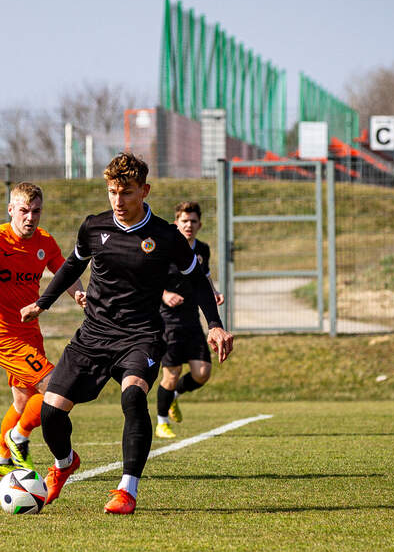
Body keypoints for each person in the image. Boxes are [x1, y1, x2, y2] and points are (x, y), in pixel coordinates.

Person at [20, 152, 234, 514]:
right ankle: (64, 463)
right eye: (112, 192)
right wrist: (43, 302)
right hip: (93, 335)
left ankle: (126, 490)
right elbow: (72, 266)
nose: (118, 200)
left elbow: (197, 279)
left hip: (141, 335)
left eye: (127, 192)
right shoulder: (94, 227)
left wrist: (214, 324)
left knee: (133, 397)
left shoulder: (166, 236)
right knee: (51, 412)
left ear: (144, 191)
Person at [0, 182, 86, 476]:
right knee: (56, 387)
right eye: (24, 210)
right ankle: (17, 437)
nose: (30, 217)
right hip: (2, 336)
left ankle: (0, 458)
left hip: (31, 333)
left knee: (23, 401)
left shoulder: (45, 242)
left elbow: (66, 272)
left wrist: (79, 294)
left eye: (36, 211)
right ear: (11, 209)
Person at [154, 201, 224, 439]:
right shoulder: (166, 247)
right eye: (184, 221)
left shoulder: (202, 249)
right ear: (176, 223)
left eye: (193, 221)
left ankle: (173, 396)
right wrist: (164, 294)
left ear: (199, 225)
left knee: (202, 373)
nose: (189, 225)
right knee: (171, 373)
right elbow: (149, 278)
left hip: (192, 319)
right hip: (167, 320)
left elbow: (204, 276)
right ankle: (162, 423)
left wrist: (213, 292)